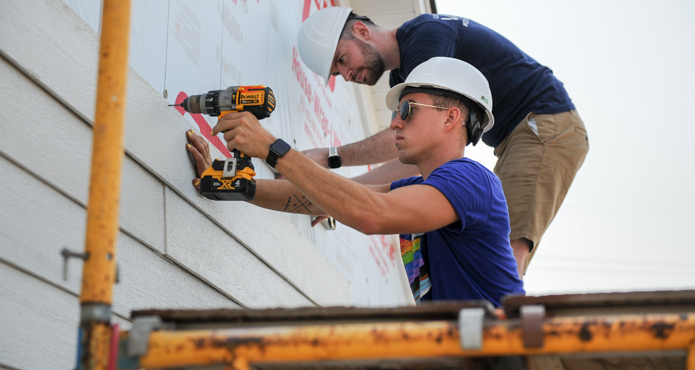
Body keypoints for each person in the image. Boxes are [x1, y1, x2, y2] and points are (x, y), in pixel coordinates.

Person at [186, 57, 524, 306]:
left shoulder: (473, 181)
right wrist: (237, 186)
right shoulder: (420, 192)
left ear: (451, 118)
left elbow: (371, 213)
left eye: (406, 111)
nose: (394, 124)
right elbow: (320, 199)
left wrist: (273, 150)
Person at [297, 7, 589, 276]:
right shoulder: (405, 76)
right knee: (489, 245)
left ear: (361, 31)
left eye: (342, 59)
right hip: (522, 135)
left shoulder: (426, 36)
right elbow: (411, 158)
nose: (346, 75)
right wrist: (342, 191)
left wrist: (329, 156)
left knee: (506, 248)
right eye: (338, 73)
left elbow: (401, 139)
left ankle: (499, 331)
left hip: (545, 124)